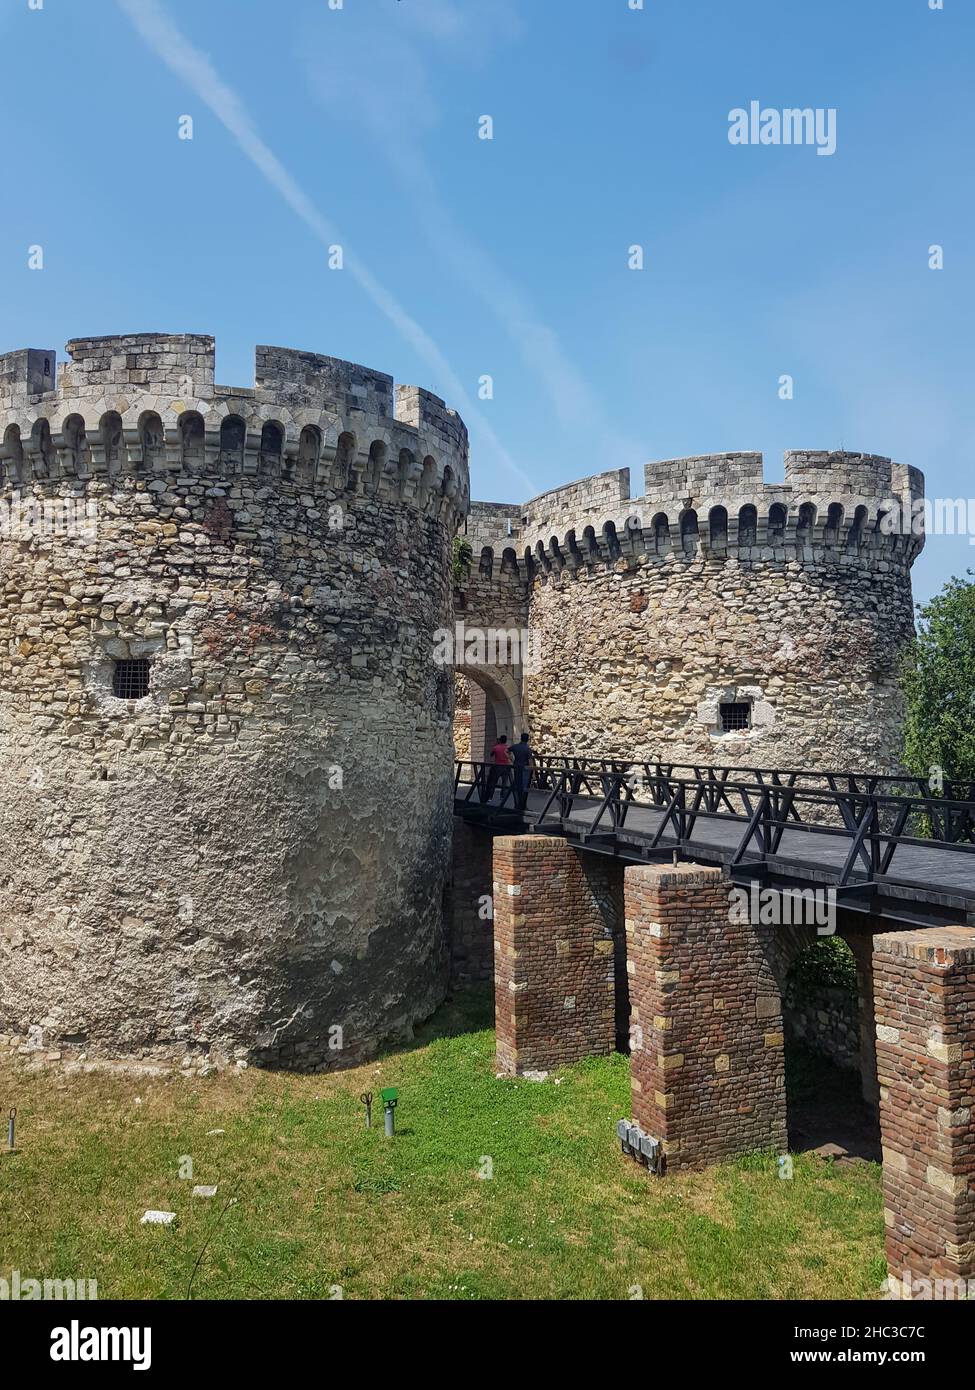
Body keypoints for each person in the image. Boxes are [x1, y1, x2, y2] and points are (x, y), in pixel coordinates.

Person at [509, 731, 536, 809]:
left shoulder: (515, 746)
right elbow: (531, 762)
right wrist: (533, 773)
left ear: (521, 738)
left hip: (516, 767)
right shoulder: (528, 749)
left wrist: (511, 759)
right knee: (524, 787)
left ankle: (517, 804)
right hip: (525, 769)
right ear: (527, 740)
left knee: (517, 786)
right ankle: (523, 805)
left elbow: (506, 751)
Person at [485, 734, 511, 801]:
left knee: (493, 782)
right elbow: (509, 756)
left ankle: (490, 797)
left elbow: (491, 754)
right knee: (504, 782)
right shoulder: (507, 748)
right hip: (506, 766)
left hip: (497, 766)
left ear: (500, 740)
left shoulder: (496, 747)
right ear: (506, 741)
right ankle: (502, 796)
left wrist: (496, 744)